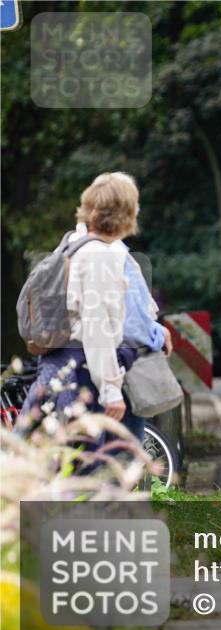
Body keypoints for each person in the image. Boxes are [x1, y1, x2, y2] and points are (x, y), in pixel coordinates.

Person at [22, 172, 166, 445]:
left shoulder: (72, 246)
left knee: (77, 458)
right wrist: (111, 390)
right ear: (128, 212)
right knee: (100, 460)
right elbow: (97, 327)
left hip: (64, 367)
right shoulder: (100, 256)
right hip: (87, 374)